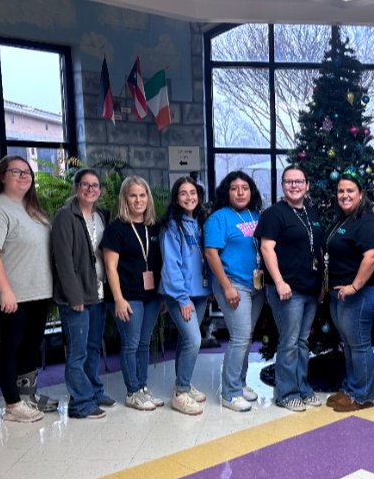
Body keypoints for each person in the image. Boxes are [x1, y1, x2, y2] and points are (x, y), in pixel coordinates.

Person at [0, 155, 55, 423]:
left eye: (27, 172)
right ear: (2, 176)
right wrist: (6, 291)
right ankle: (12, 404)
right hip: (11, 295)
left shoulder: (32, 209)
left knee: (31, 346)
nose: (23, 176)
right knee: (11, 347)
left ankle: (28, 396)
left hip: (37, 292)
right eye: (16, 171)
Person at [254, 165, 325, 412]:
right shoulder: (274, 214)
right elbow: (266, 249)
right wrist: (280, 281)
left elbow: (318, 249)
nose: (294, 186)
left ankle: (303, 388)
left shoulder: (311, 212)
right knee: (289, 342)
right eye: (289, 182)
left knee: (302, 341)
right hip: (286, 290)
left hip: (310, 289)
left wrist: (322, 284)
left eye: (299, 181)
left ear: (307, 185)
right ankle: (286, 393)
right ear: (282, 185)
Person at [51, 169, 114, 420]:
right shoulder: (65, 217)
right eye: (85, 185)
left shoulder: (100, 215)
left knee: (93, 347)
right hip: (77, 297)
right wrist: (73, 296)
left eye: (95, 185)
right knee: (78, 352)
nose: (90, 189)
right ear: (76, 188)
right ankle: (80, 403)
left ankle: (94, 391)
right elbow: (63, 261)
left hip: (98, 293)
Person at [324, 170, 374, 413]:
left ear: (361, 194)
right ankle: (351, 388)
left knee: (358, 344)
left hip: (362, 292)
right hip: (340, 292)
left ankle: (363, 395)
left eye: (350, 190)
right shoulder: (342, 219)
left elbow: (372, 256)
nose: (344, 195)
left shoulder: (366, 220)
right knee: (349, 343)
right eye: (341, 191)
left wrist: (354, 286)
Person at [102, 175, 164, 412]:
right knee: (131, 344)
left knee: (144, 344)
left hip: (152, 296)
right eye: (133, 195)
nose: (138, 200)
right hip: (128, 296)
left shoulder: (153, 227)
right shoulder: (116, 228)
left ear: (148, 197)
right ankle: (132, 392)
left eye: (142, 195)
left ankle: (142, 387)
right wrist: (118, 299)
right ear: (125, 199)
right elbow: (110, 268)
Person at [205, 171, 265, 413]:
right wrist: (227, 286)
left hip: (256, 285)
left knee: (246, 337)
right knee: (240, 338)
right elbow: (211, 253)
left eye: (245, 188)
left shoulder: (256, 215)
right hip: (233, 284)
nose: (240, 192)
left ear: (251, 192)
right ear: (226, 192)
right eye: (234, 188)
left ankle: (239, 384)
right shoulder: (219, 218)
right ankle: (229, 393)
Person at [159, 176, 213, 416]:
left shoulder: (200, 223)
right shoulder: (172, 225)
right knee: (194, 340)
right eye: (183, 193)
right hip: (180, 294)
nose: (189, 197)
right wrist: (182, 298)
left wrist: (209, 290)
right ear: (176, 198)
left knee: (185, 340)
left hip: (200, 293)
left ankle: (184, 382)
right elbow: (171, 265)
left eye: (193, 192)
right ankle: (180, 393)